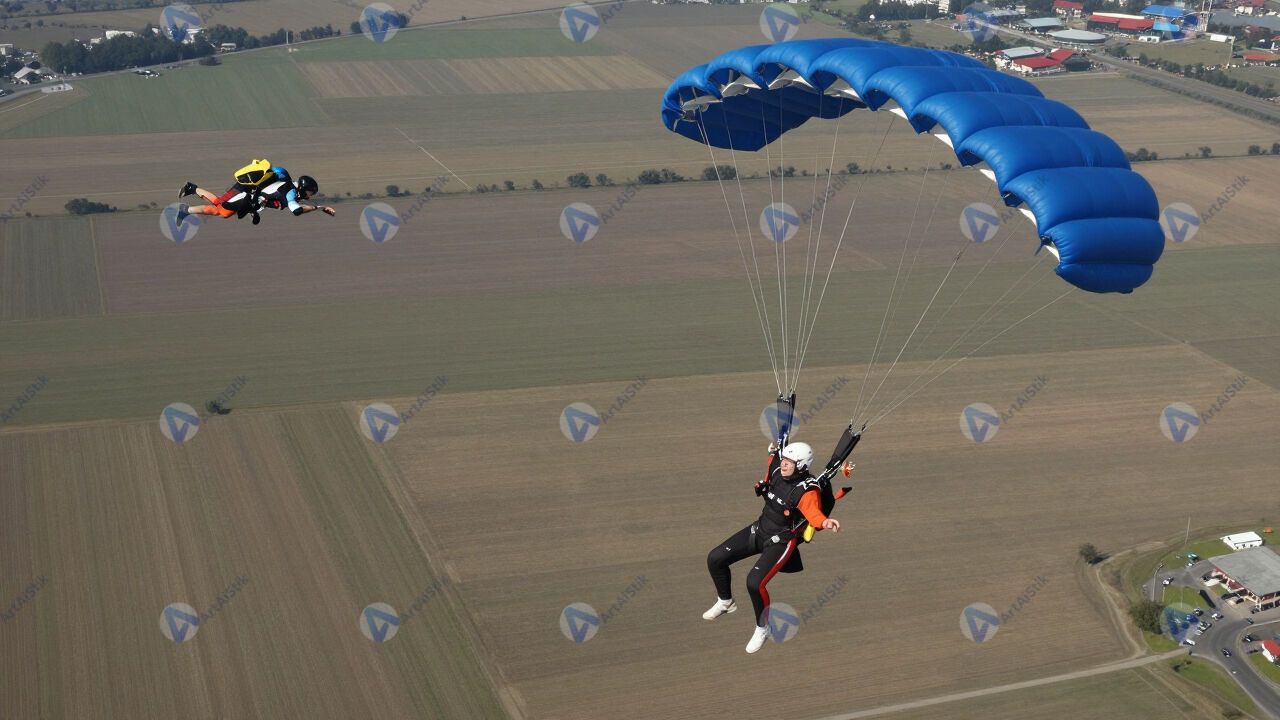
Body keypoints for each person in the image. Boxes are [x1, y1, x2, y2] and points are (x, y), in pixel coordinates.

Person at [704, 441, 841, 653]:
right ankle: (725, 602)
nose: (784, 464)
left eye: (789, 462)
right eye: (784, 460)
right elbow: (774, 461)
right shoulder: (779, 469)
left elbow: (813, 514)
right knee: (715, 558)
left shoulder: (807, 491)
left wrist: (825, 522)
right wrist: (774, 450)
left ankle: (763, 628)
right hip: (760, 530)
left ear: (801, 466)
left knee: (754, 583)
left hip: (781, 541)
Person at [175, 169, 335, 225]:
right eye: (310, 193)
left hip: (250, 196)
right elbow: (297, 210)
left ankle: (186, 209)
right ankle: (191, 189)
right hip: (245, 191)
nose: (310, 196)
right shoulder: (290, 192)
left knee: (222, 212)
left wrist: (253, 211)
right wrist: (318, 208)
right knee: (220, 206)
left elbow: (267, 195)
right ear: (303, 189)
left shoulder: (290, 187)